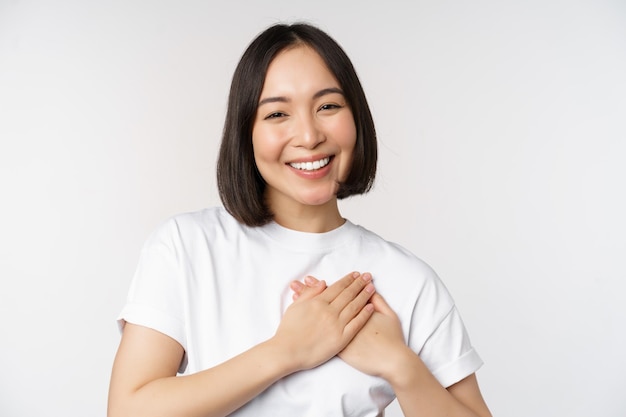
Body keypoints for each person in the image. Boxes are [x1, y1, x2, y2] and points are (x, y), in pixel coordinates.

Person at [107, 22, 492, 417]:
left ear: (356, 118)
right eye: (277, 113)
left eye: (328, 106)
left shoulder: (408, 280)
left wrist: (400, 365)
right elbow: (128, 410)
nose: (308, 136)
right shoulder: (185, 247)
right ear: (247, 132)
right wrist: (286, 351)